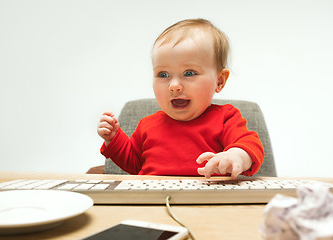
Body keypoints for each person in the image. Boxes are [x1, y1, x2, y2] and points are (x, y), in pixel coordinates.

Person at [97, 19, 264, 179]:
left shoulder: (226, 118)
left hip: (209, 201)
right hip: (155, 200)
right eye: (163, 74)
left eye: (189, 73)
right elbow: (134, 164)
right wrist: (113, 138)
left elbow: (251, 145)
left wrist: (236, 156)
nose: (174, 86)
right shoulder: (147, 125)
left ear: (219, 81)